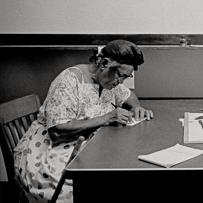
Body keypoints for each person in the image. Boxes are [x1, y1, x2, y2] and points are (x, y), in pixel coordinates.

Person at [13, 39, 153, 202]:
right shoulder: (69, 80)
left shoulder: (108, 83)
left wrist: (136, 107)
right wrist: (106, 118)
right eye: (120, 76)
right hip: (53, 153)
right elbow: (57, 132)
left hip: (87, 146)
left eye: (125, 78)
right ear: (105, 63)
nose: (120, 82)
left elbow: (129, 95)